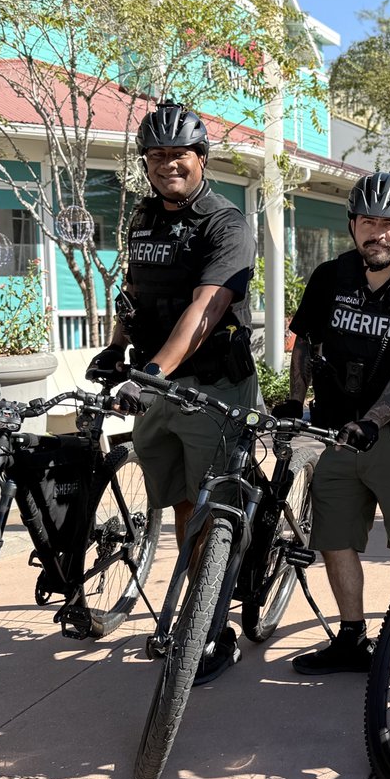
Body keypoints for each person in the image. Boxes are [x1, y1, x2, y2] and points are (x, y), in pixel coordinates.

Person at [87, 100, 258, 682]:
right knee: (183, 499)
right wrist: (118, 345)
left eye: (178, 155)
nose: (168, 166)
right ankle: (197, 599)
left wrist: (153, 372)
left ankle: (215, 627)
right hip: (155, 380)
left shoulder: (225, 224)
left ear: (200, 158)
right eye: (157, 156)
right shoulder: (143, 218)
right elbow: (137, 293)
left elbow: (206, 309)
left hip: (210, 384)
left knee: (213, 502)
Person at [274, 171, 390, 675]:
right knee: (335, 537)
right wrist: (294, 400)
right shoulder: (330, 277)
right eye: (368, 222)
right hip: (334, 434)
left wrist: (372, 421)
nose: (378, 232)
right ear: (352, 226)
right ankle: (352, 638)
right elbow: (306, 342)